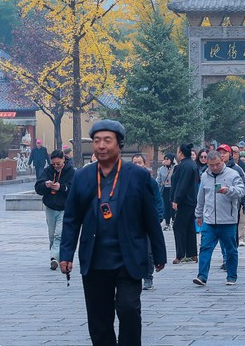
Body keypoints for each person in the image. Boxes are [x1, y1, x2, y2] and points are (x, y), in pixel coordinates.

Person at [59, 120, 166, 346]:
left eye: (107, 140)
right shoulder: (83, 177)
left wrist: (159, 253)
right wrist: (66, 254)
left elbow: (150, 217)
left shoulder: (138, 175)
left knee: (128, 309)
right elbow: (71, 219)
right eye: (97, 141)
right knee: (99, 320)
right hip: (95, 258)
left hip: (128, 257)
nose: (101, 146)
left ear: (119, 144)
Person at [193, 150, 245, 286]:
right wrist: (198, 214)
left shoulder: (232, 174)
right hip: (209, 221)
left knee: (231, 250)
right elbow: (201, 197)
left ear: (222, 161)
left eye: (217, 164)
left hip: (228, 221)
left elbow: (241, 191)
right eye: (211, 165)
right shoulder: (205, 176)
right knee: (205, 248)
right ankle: (202, 276)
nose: (215, 167)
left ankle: (231, 276)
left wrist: (228, 190)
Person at [34, 149, 74, 270]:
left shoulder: (71, 172)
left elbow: (74, 189)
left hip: (64, 208)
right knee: (52, 235)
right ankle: (57, 256)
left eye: (59, 163)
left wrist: (62, 187)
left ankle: (54, 258)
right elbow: (38, 188)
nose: (56, 166)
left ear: (63, 160)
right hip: (50, 207)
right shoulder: (47, 171)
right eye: (54, 164)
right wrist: (45, 185)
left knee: (58, 234)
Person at [131, 153, 163, 290]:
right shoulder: (127, 181)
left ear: (145, 164)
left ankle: (148, 277)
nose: (137, 165)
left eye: (140, 162)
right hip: (132, 222)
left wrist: (159, 216)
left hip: (148, 221)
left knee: (149, 251)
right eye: (135, 163)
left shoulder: (151, 182)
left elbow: (158, 200)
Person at [170, 144, 200, 264]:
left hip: (185, 201)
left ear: (181, 153)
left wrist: (176, 200)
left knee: (178, 226)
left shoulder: (185, 165)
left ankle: (180, 254)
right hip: (190, 200)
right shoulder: (191, 164)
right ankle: (192, 254)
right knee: (189, 227)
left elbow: (182, 185)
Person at [156, 154, 175, 231]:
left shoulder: (175, 168)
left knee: (172, 206)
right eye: (165, 159)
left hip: (173, 189)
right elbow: (158, 179)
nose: (166, 160)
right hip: (165, 189)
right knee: (166, 207)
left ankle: (173, 221)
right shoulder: (161, 169)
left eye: (168, 159)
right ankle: (167, 223)